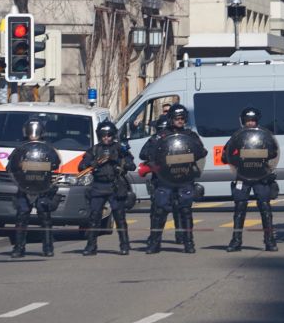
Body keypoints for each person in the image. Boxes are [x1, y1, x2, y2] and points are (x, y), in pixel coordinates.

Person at [141, 104, 207, 254]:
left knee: (185, 211)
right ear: (171, 118)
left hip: (184, 177)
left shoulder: (190, 136)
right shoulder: (161, 136)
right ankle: (154, 243)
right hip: (165, 179)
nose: (180, 121)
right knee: (160, 211)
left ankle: (189, 243)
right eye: (177, 118)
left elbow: (202, 152)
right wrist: (157, 154)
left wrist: (191, 150)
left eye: (183, 118)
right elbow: (144, 153)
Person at [225, 107, 280, 252]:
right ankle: (236, 241)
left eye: (253, 120)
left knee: (265, 207)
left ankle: (270, 241)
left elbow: (274, 152)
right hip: (242, 175)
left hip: (261, 175)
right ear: (243, 121)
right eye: (248, 121)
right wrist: (238, 157)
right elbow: (226, 155)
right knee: (240, 208)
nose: (250, 123)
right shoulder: (237, 136)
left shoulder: (265, 136)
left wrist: (261, 154)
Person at [80, 121, 135, 256]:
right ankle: (91, 246)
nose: (106, 138)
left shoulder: (120, 148)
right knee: (94, 217)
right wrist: (93, 163)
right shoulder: (94, 150)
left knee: (119, 217)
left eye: (109, 135)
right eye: (103, 135)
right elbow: (81, 167)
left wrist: (118, 161)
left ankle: (124, 245)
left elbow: (131, 165)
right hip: (99, 185)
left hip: (115, 185)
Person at [9, 119, 62, 258]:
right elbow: (10, 166)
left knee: (45, 217)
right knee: (21, 216)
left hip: (42, 186)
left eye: (36, 132)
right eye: (31, 132)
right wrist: (19, 164)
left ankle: (48, 247)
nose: (33, 135)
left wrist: (46, 163)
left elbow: (56, 164)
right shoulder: (20, 148)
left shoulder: (47, 148)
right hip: (24, 186)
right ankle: (19, 248)